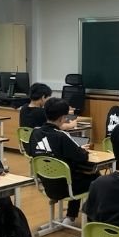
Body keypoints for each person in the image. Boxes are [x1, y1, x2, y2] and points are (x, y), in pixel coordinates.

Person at [28, 97, 97, 226]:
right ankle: (92, 219)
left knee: (74, 174)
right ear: (62, 118)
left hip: (46, 185)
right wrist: (81, 150)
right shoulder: (61, 136)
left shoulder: (35, 132)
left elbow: (32, 152)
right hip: (65, 188)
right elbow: (83, 157)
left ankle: (71, 216)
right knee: (95, 177)